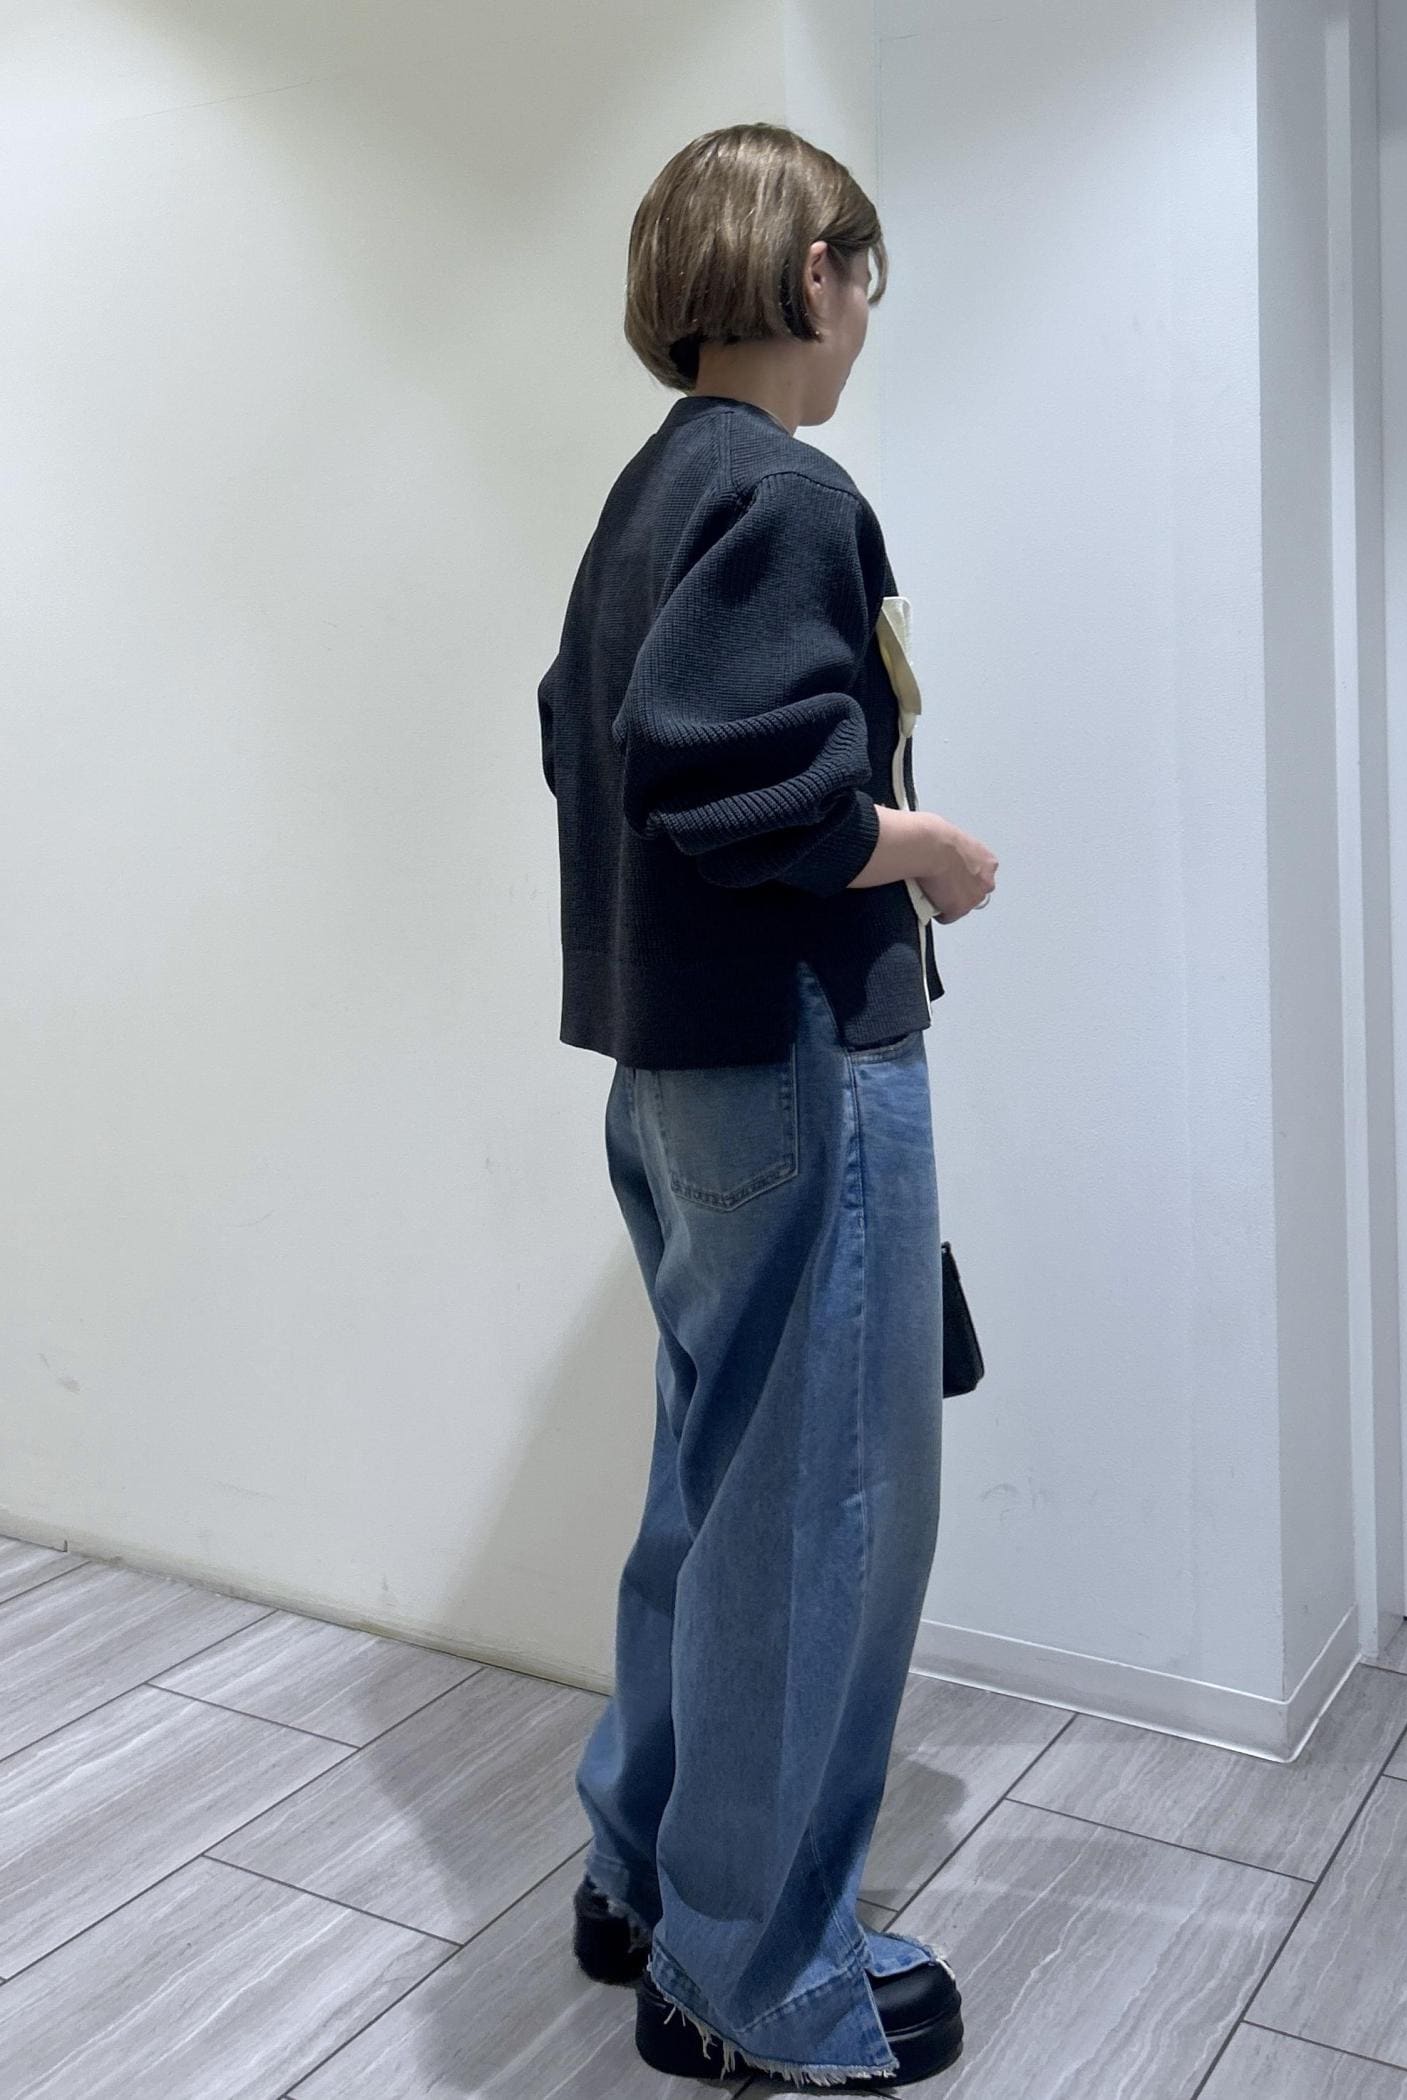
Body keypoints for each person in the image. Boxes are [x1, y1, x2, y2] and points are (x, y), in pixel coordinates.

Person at [536, 122, 998, 2089]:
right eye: (864, 277)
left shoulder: (650, 492)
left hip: (675, 1072)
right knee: (826, 1519)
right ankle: (753, 1973)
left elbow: (589, 745)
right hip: (804, 1068)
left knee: (716, 1494)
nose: (867, 317)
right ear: (818, 274)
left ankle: (646, 1875)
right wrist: (922, 848)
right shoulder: (790, 492)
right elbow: (736, 778)